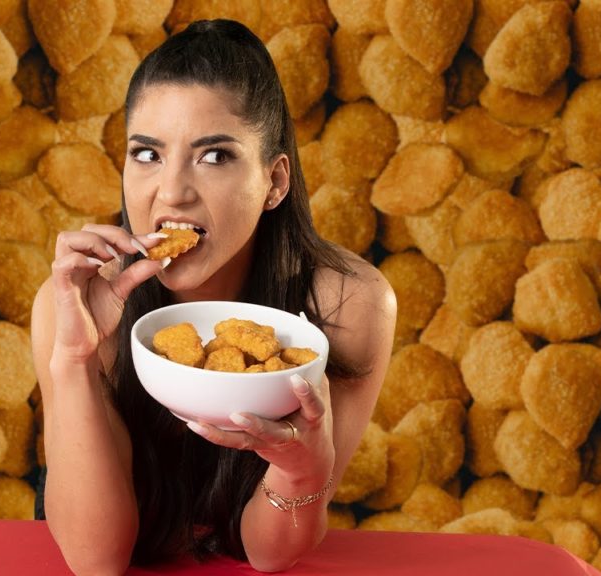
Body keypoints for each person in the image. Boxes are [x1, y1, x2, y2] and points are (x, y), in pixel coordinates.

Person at [31, 19, 397, 575]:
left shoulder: (347, 305)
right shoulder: (76, 299)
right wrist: (76, 359)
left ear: (275, 182)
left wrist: (302, 469)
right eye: (147, 154)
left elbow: (269, 554)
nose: (171, 192)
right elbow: (95, 561)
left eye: (215, 156)